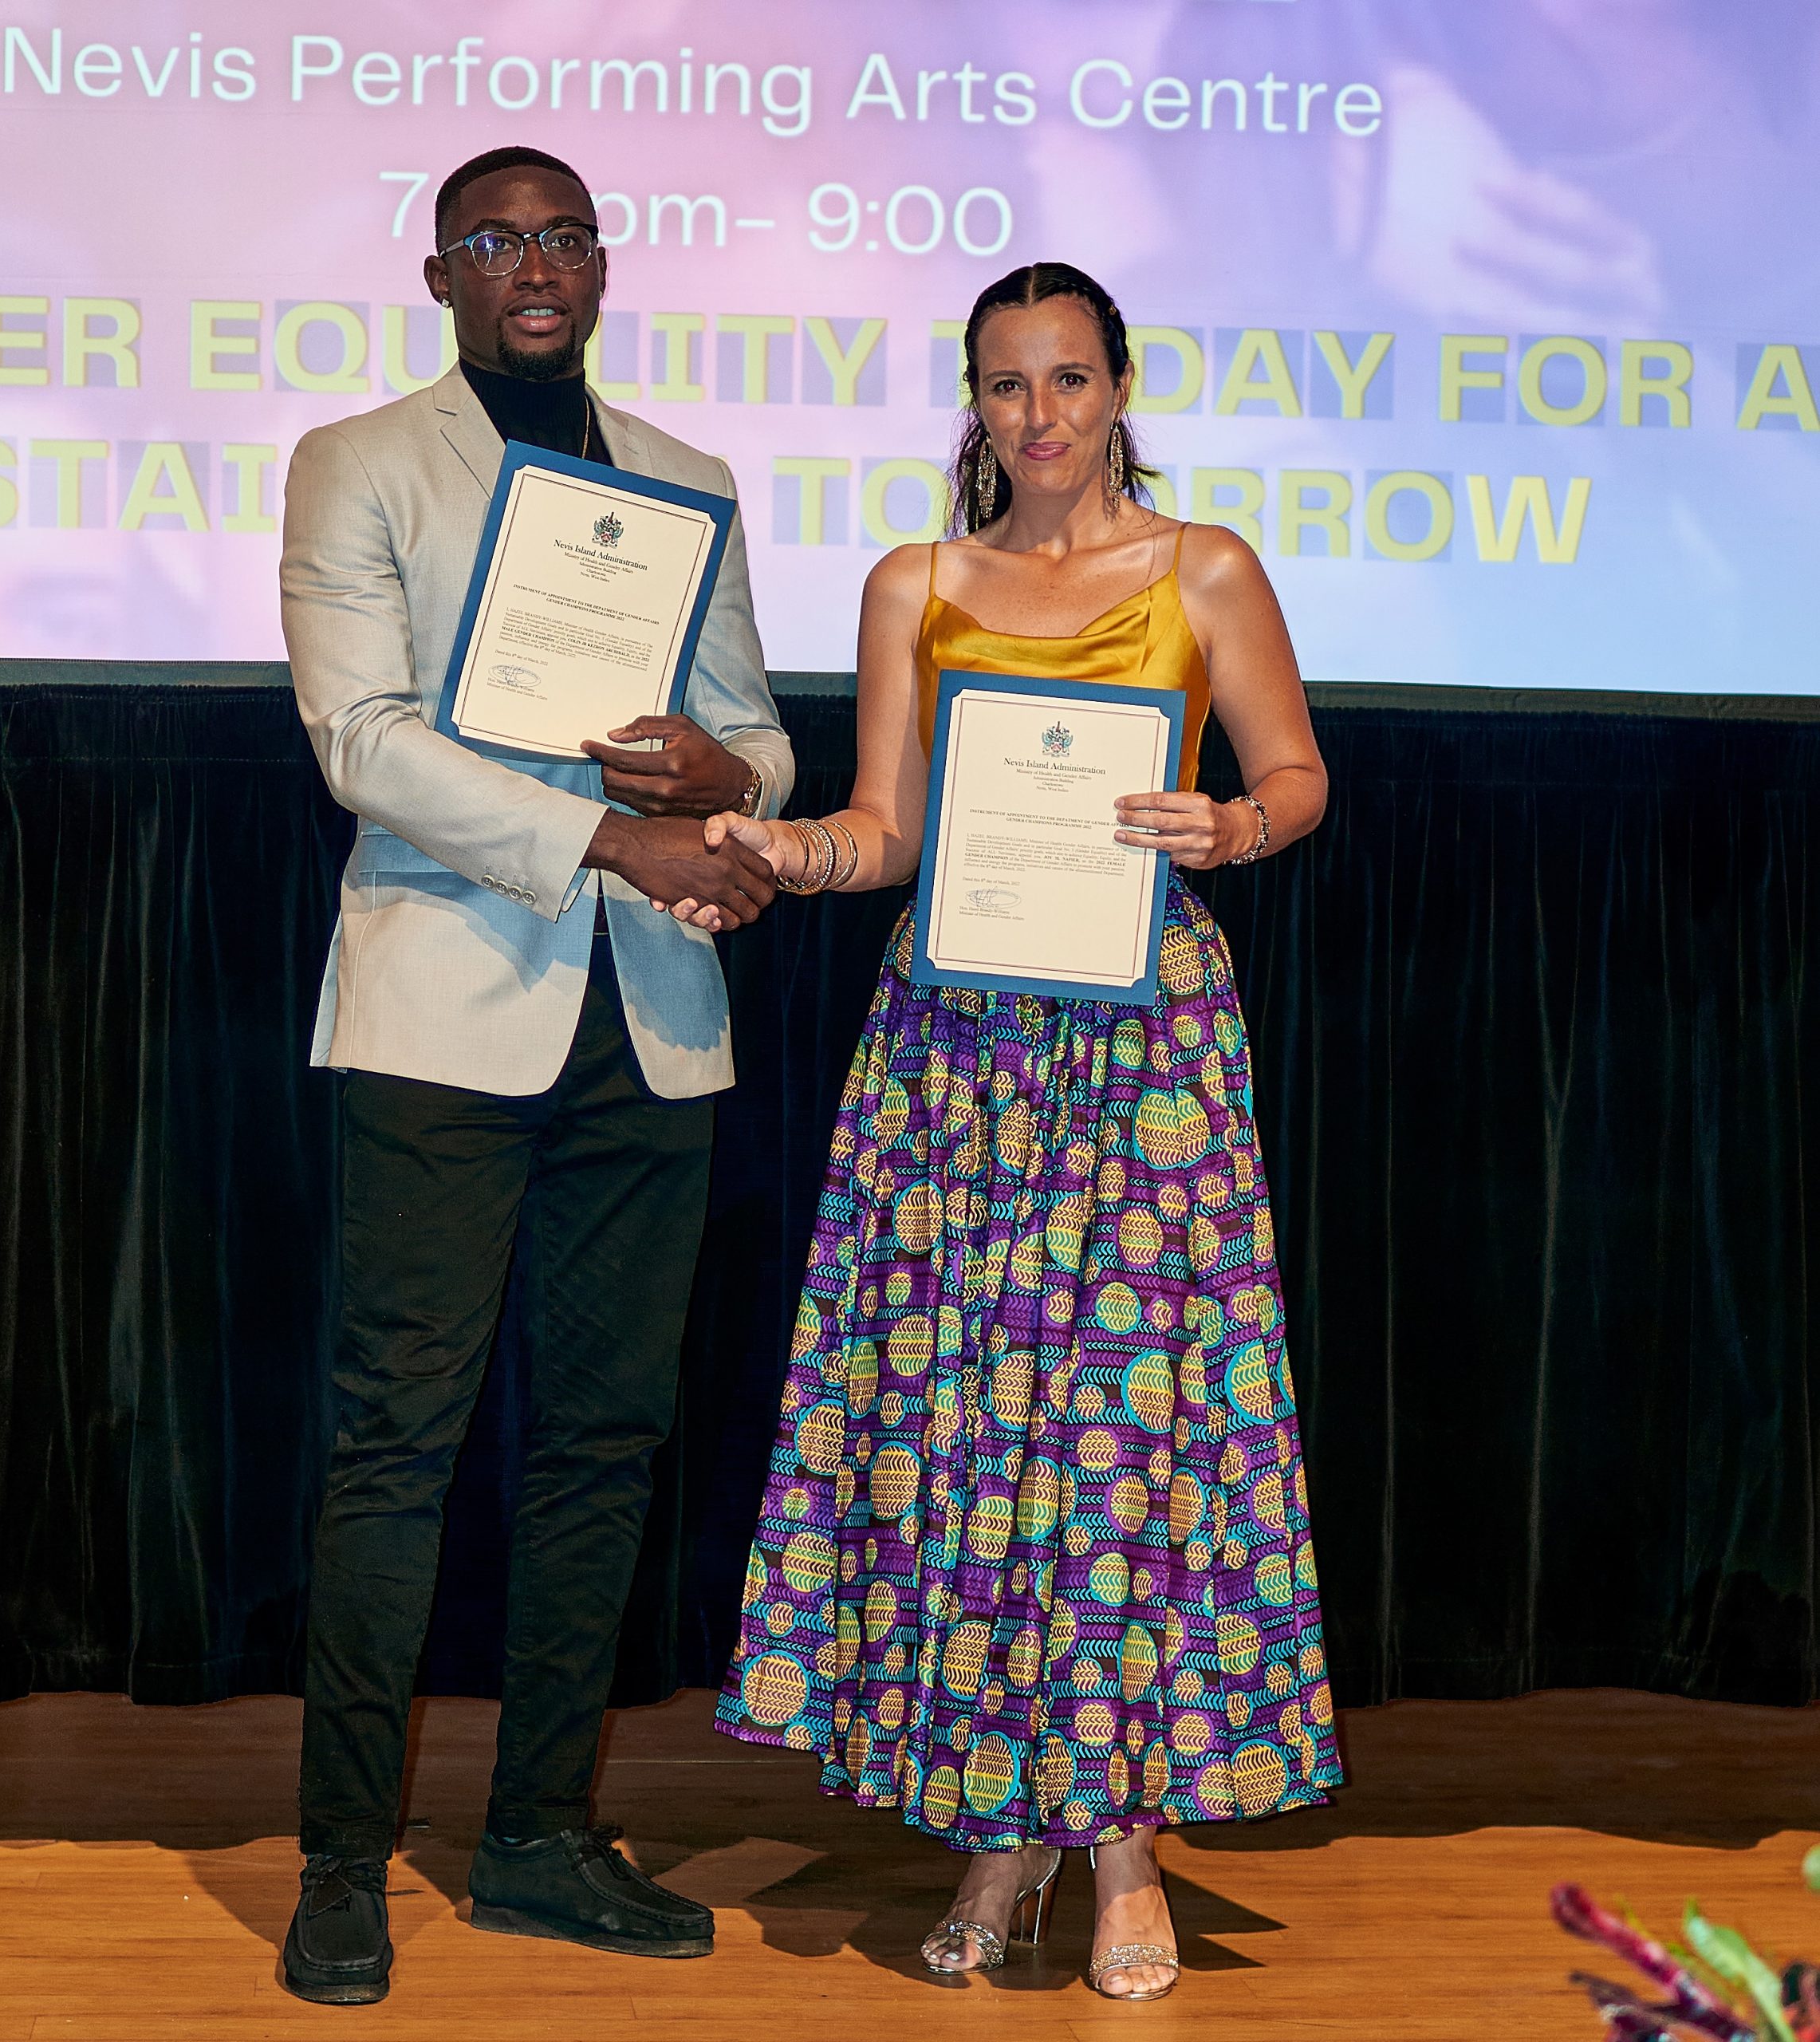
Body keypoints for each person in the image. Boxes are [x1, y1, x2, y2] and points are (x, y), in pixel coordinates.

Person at [701, 262, 1341, 2002]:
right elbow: (884, 824)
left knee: (1122, 1439)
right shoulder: (915, 580)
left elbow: (1294, 778)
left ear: (1121, 383)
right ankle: (1004, 1817)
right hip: (956, 1060)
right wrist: (794, 854)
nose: (1038, 416)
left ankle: (1113, 1841)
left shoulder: (1204, 566)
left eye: (1067, 379)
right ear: (970, 402)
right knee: (973, 1428)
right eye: (1004, 385)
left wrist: (1229, 824)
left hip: (1145, 1053)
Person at [276, 145, 794, 2005]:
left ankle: (541, 1835)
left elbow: (761, 738)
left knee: (601, 1446)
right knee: (394, 1443)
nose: (535, 265)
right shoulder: (362, 462)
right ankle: (341, 1857)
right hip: (441, 1006)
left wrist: (718, 784)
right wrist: (602, 843)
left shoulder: (686, 481)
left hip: (644, 1023)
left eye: (563, 234)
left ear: (602, 260)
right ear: (439, 273)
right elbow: (364, 742)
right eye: (497, 240)